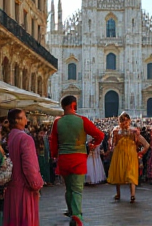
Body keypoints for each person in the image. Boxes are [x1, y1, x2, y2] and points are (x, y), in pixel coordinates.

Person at [50, 95, 104, 226]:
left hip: (63, 158)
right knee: (77, 189)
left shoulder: (58, 122)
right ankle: (77, 215)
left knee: (69, 188)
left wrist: (54, 156)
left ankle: (70, 211)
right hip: (78, 158)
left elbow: (53, 143)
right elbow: (100, 135)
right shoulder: (82, 120)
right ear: (72, 105)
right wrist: (93, 144)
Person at [3, 108, 44, 226]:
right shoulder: (25, 138)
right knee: (26, 220)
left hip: (11, 189)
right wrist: (37, 184)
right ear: (18, 120)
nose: (27, 119)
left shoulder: (9, 137)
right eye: (24, 116)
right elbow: (29, 166)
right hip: (24, 189)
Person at [107, 112, 150, 203]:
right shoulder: (119, 131)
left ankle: (132, 195)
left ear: (129, 120)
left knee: (129, 174)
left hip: (126, 154)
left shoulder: (133, 131)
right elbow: (113, 144)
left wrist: (140, 153)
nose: (124, 122)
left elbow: (146, 145)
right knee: (120, 173)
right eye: (123, 120)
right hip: (122, 154)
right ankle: (122, 194)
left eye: (126, 120)